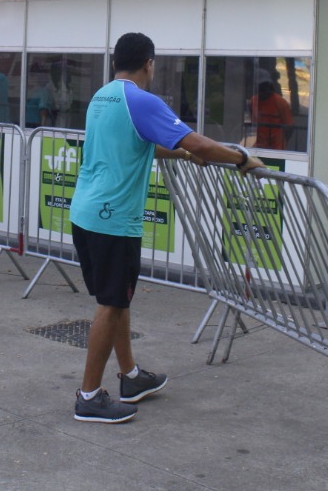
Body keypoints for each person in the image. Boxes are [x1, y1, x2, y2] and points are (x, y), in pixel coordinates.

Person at [69, 32, 264, 423]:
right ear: (149, 64)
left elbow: (141, 143)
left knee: (117, 300)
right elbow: (200, 142)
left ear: (115, 62)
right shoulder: (141, 100)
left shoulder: (102, 97)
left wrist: (182, 154)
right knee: (111, 304)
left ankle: (130, 377)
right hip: (113, 219)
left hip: (86, 212)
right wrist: (241, 158)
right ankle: (88, 396)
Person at [250, 78, 294, 150]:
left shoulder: (280, 102)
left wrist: (284, 141)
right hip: (260, 144)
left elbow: (289, 126)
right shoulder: (254, 101)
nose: (264, 91)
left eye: (266, 88)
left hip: (277, 145)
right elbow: (253, 122)